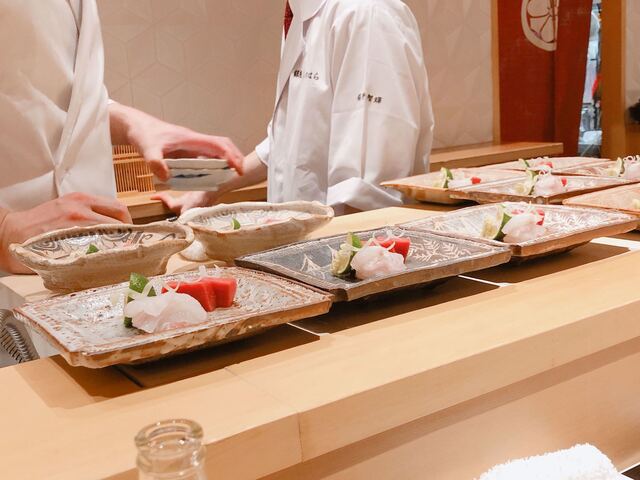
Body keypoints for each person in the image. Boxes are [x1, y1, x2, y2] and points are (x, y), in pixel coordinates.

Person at [0, 1, 244, 273]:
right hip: (12, 267)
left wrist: (132, 124)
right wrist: (4, 228)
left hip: (95, 253)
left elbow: (52, 101)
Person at [155, 0, 434, 216]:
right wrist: (205, 185)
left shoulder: (365, 13)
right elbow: (284, 142)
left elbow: (368, 192)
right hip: (304, 249)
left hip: (344, 256)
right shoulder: (302, 13)